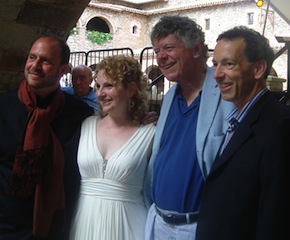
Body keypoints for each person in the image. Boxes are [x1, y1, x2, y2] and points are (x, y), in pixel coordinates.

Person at [143, 15, 234, 240]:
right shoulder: (171, 96)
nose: (160, 57)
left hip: (197, 227)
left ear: (196, 50)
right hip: (159, 222)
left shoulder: (227, 94)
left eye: (169, 48)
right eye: (156, 50)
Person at [196, 26, 290, 240]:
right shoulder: (239, 119)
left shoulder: (280, 127)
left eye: (229, 64)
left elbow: (276, 217)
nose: (217, 75)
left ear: (258, 69)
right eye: (215, 65)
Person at [0, 35, 94, 239]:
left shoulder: (80, 115)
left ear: (62, 70)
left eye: (46, 61)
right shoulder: (3, 107)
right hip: (6, 225)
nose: (35, 65)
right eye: (32, 57)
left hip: (56, 227)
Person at [69, 55, 156, 240]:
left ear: (131, 89)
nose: (100, 93)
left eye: (109, 85)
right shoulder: (86, 125)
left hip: (129, 226)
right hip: (84, 223)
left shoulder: (151, 132)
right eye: (98, 86)